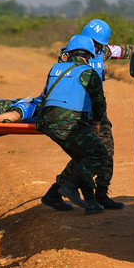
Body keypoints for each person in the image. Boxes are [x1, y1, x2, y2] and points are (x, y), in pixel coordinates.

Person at [48, 19, 134, 211]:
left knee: (107, 152)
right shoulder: (69, 56)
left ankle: (101, 194)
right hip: (78, 112)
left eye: (99, 44)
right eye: (93, 42)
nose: (96, 47)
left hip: (97, 111)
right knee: (86, 156)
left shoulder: (103, 51)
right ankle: (58, 192)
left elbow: (126, 50)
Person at [37, 34, 109, 215]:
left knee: (82, 157)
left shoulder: (55, 68)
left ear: (68, 53)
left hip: (46, 122)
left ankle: (81, 201)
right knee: (99, 154)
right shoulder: (89, 73)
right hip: (69, 123)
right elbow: (99, 103)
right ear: (89, 55)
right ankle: (69, 187)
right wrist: (98, 122)